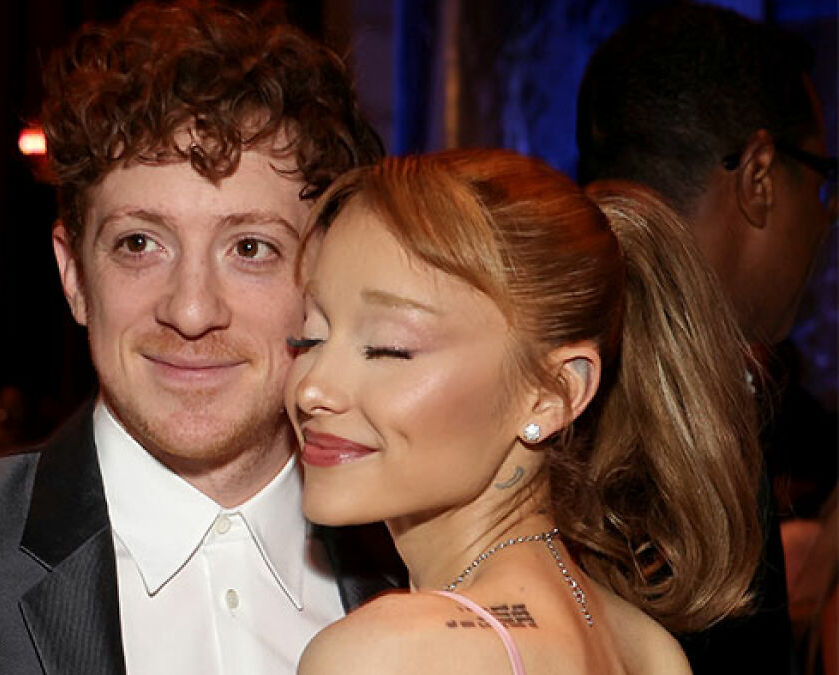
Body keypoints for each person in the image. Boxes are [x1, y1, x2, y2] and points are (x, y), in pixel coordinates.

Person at [0, 2, 392, 673]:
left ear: (325, 282)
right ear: (74, 275)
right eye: (139, 243)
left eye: (251, 248)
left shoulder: (425, 572)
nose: (191, 310)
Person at [289, 150, 763, 674]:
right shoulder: (649, 648)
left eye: (388, 348)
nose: (312, 388)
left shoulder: (387, 652)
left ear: (553, 393)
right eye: (309, 337)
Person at [577, 5, 833, 672]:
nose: (825, 219)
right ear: (760, 176)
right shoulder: (681, 414)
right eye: (821, 179)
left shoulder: (554, 356)